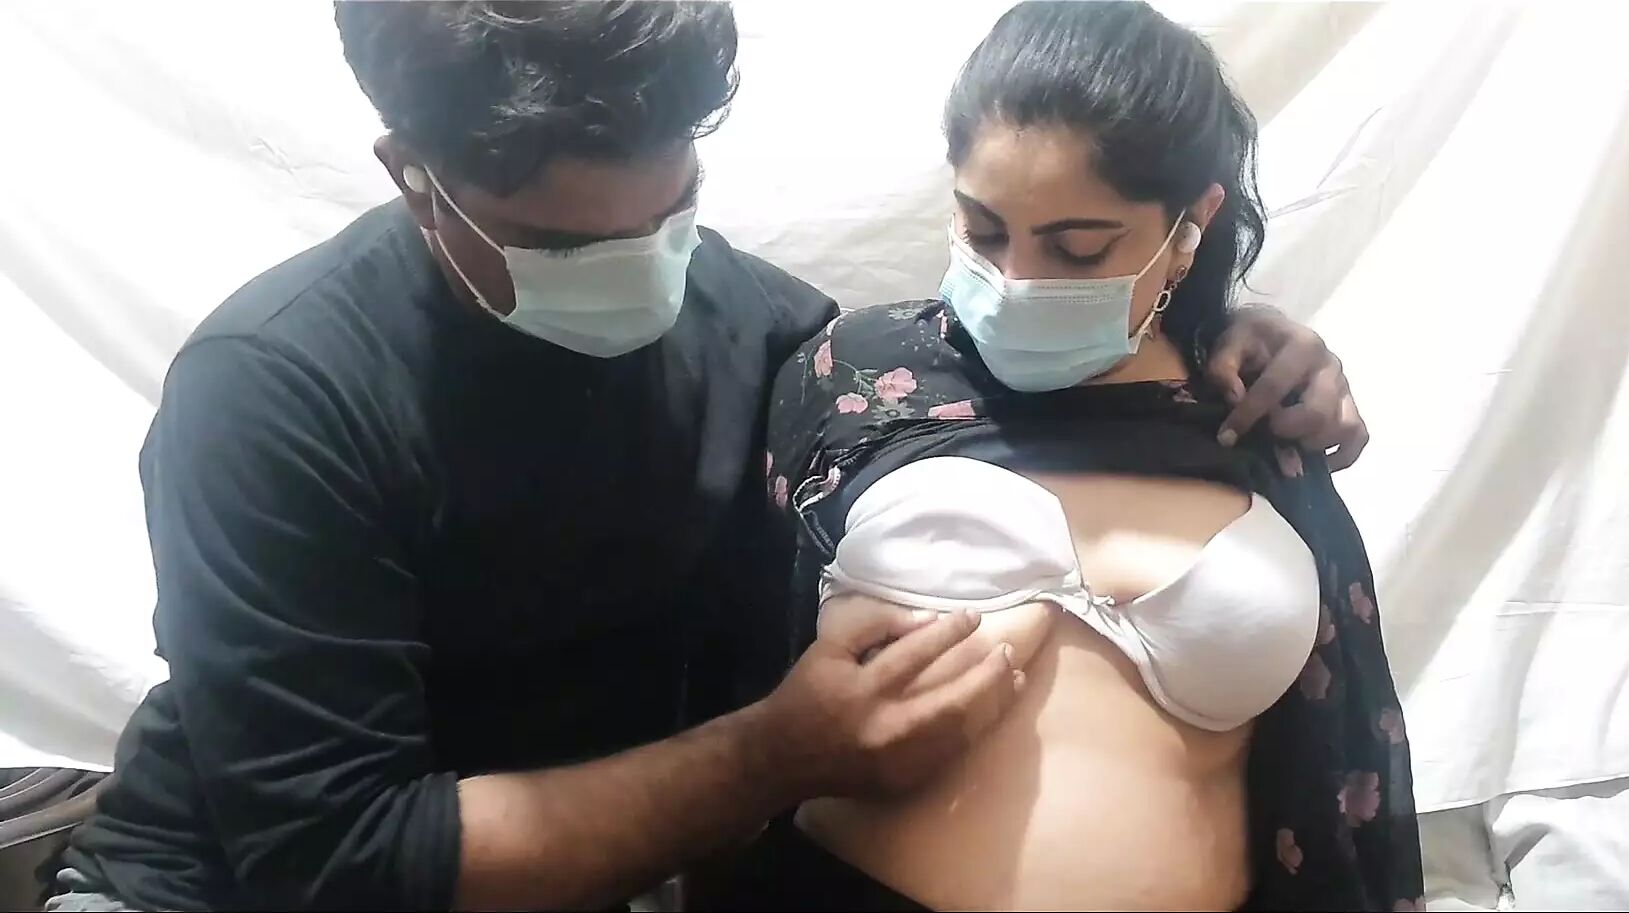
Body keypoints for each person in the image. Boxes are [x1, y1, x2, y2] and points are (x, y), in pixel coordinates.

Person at [44, 3, 1370, 911]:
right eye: (561, 246)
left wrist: (1226, 335)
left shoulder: (770, 334)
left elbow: (993, 387)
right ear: (412, 175)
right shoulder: (274, 394)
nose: (637, 271)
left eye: (670, 213)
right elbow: (341, 863)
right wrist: (774, 755)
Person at [690, 4, 1421, 911]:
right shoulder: (860, 378)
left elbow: (1336, 740)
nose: (1017, 281)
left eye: (1079, 248)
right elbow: (727, 654)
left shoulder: (1254, 408)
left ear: (1189, 227)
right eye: (983, 229)